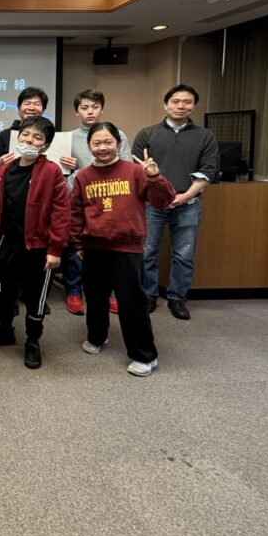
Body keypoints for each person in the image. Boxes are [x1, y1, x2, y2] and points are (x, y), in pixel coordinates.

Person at [70, 122, 175, 377]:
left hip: (127, 248)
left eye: (108, 142)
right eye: (96, 143)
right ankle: (97, 337)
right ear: (89, 146)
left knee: (132, 304)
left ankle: (144, 355)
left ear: (117, 143)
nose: (102, 147)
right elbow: (76, 213)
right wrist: (78, 244)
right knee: (95, 299)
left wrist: (155, 177)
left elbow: (163, 201)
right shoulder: (83, 176)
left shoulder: (135, 172)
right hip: (94, 247)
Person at [0, 116, 70, 369]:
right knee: (3, 292)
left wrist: (55, 249)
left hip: (39, 246)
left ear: (45, 145)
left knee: (35, 296)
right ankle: (5, 330)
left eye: (37, 138)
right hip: (7, 242)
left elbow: (61, 213)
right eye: (25, 135)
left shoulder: (52, 172)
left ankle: (33, 341)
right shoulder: (7, 168)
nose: (29, 140)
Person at [132, 84, 219, 320]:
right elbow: (136, 169)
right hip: (152, 204)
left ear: (194, 106)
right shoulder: (147, 134)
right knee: (147, 251)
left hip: (188, 203)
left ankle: (177, 298)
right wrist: (159, 194)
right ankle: (148, 295)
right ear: (166, 105)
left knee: (184, 253)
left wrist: (184, 196)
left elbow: (207, 172)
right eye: (176, 101)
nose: (181, 106)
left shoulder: (205, 136)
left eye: (187, 102)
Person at [59, 89, 132, 316]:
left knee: (106, 248)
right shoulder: (67, 138)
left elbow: (127, 166)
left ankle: (107, 293)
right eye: (84, 107)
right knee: (75, 245)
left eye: (94, 107)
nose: (90, 111)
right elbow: (60, 173)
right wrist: (71, 168)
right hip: (78, 197)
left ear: (102, 109)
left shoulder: (117, 134)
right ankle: (73, 291)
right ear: (76, 111)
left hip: (110, 198)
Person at [0, 87, 48, 167]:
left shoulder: (50, 135)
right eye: (27, 103)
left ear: (43, 110)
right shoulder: (5, 135)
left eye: (37, 104)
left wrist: (67, 166)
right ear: (18, 108)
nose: (31, 108)